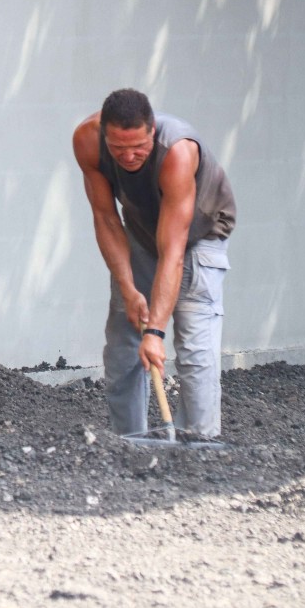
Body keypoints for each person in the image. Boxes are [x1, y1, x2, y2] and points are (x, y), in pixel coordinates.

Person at [72, 89, 236, 439]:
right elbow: (106, 218)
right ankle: (129, 443)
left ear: (152, 131)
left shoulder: (177, 151)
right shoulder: (87, 140)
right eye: (118, 149)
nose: (129, 156)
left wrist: (156, 332)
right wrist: (129, 289)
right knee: (122, 346)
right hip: (142, 234)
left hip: (198, 237)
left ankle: (198, 446)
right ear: (105, 137)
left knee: (194, 349)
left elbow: (174, 250)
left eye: (139, 147)